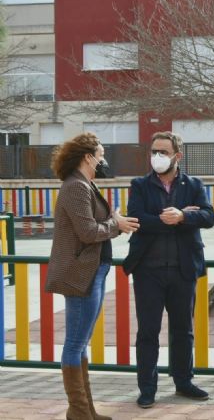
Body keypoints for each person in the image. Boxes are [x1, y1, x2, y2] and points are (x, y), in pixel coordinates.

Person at [46, 133, 140, 420]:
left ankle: (84, 410)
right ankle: (79, 412)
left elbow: (92, 226)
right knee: (75, 343)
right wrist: (116, 223)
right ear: (88, 157)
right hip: (81, 275)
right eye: (100, 153)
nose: (103, 158)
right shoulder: (76, 186)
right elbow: (88, 232)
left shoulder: (83, 184)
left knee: (80, 342)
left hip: (91, 272)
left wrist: (113, 221)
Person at [123, 131, 214, 409]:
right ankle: (147, 388)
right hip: (148, 271)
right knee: (148, 331)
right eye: (154, 151)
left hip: (183, 269)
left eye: (163, 152)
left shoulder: (194, 184)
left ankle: (183, 381)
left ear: (178, 155)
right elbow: (138, 219)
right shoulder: (139, 184)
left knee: (183, 330)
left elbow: (209, 216)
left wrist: (185, 215)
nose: (157, 157)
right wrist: (173, 219)